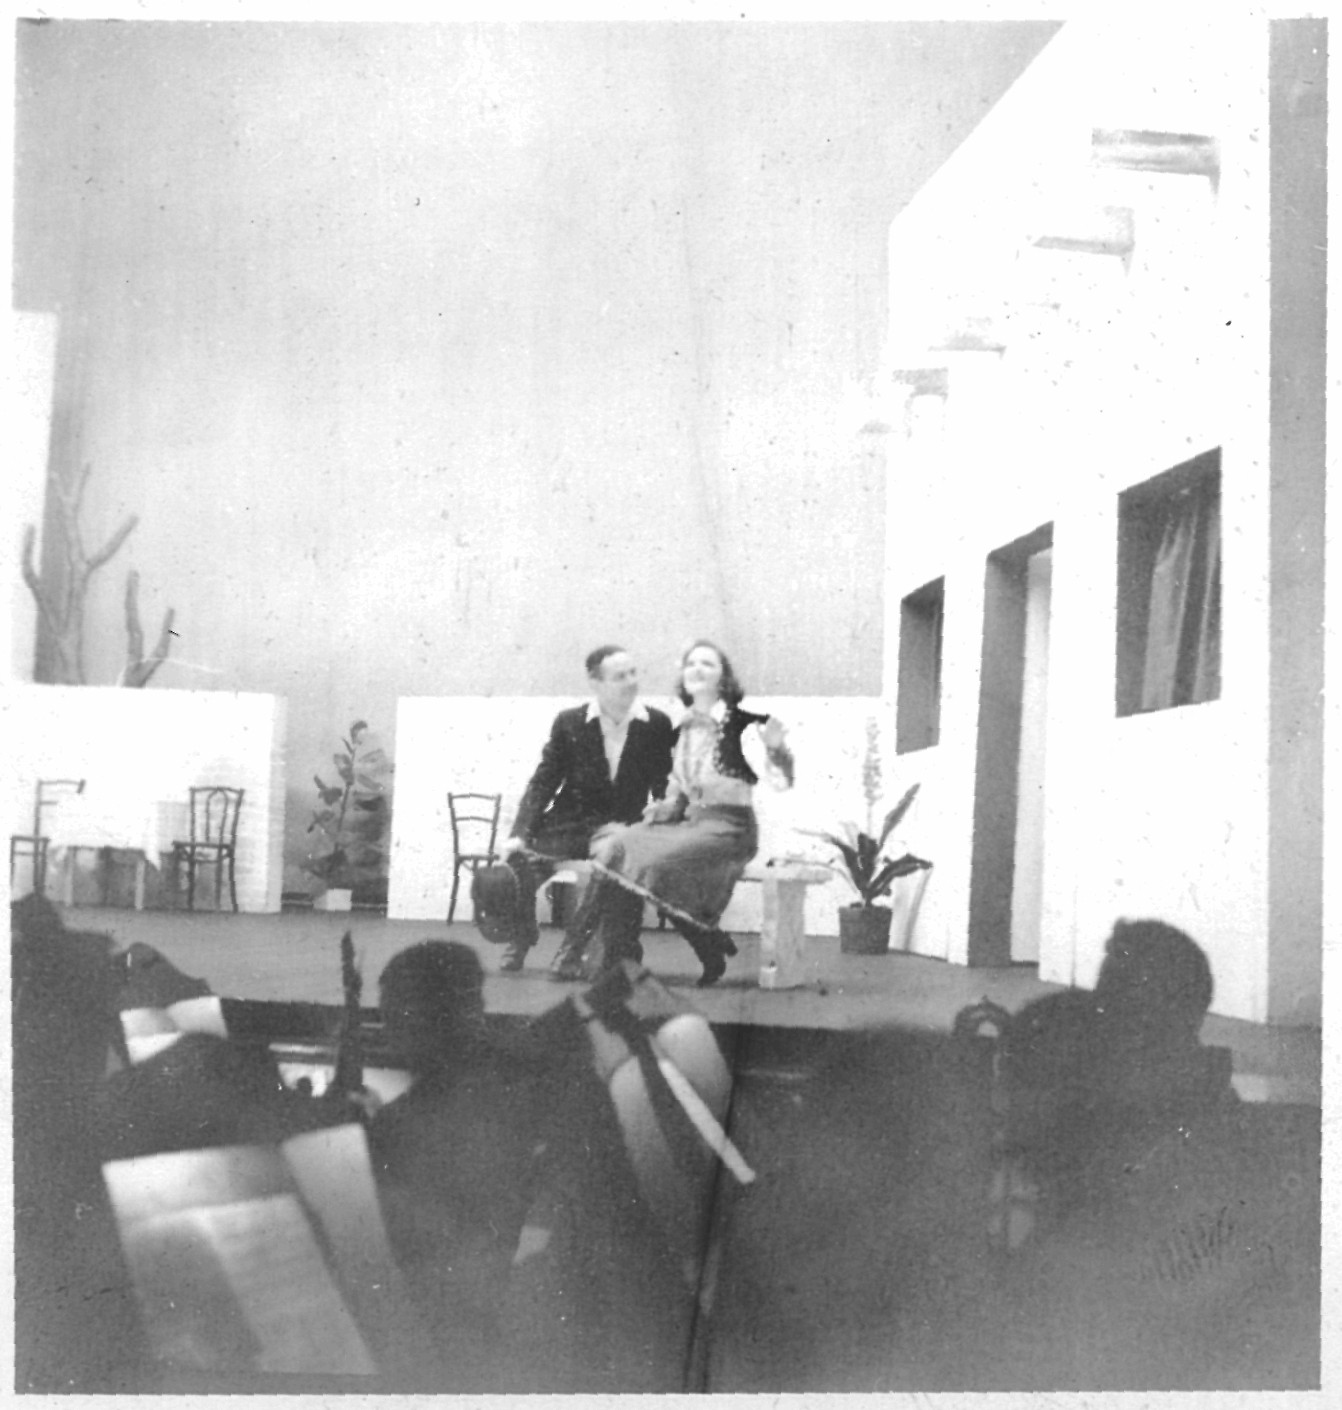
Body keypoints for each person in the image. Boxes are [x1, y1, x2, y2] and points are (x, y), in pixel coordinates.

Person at [367, 941, 545, 1389]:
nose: (387, 1028)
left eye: (394, 1013)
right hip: (495, 1304)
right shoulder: (515, 1081)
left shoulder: (402, 1122)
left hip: (439, 1327)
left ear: (421, 1017)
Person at [583, 639, 794, 986]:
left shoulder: (744, 724)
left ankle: (704, 940)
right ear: (683, 675)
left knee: (658, 861)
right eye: (691, 663)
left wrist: (778, 752)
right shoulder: (683, 727)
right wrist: (666, 806)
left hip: (729, 829)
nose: (697, 669)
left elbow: (781, 781)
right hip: (690, 823)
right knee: (618, 845)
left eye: (708, 664)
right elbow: (678, 786)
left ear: (724, 677)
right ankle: (693, 944)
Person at [497, 644, 675, 977]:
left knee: (617, 857)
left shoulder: (656, 724)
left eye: (633, 673)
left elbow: (665, 783)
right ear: (596, 683)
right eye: (620, 676)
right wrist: (519, 833)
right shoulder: (569, 722)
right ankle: (522, 937)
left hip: (620, 827)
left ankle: (573, 949)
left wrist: (665, 812)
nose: (631, 682)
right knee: (518, 861)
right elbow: (543, 782)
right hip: (569, 825)